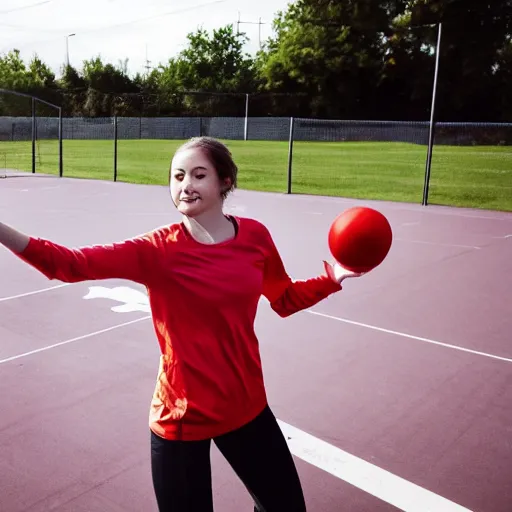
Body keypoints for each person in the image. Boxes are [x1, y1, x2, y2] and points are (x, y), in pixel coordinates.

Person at [0, 136, 364, 511]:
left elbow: (283, 299)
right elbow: (68, 264)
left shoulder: (255, 237)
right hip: (181, 417)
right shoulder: (156, 250)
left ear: (225, 181)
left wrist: (332, 277)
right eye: (177, 176)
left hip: (246, 407)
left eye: (198, 174)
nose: (185, 184)